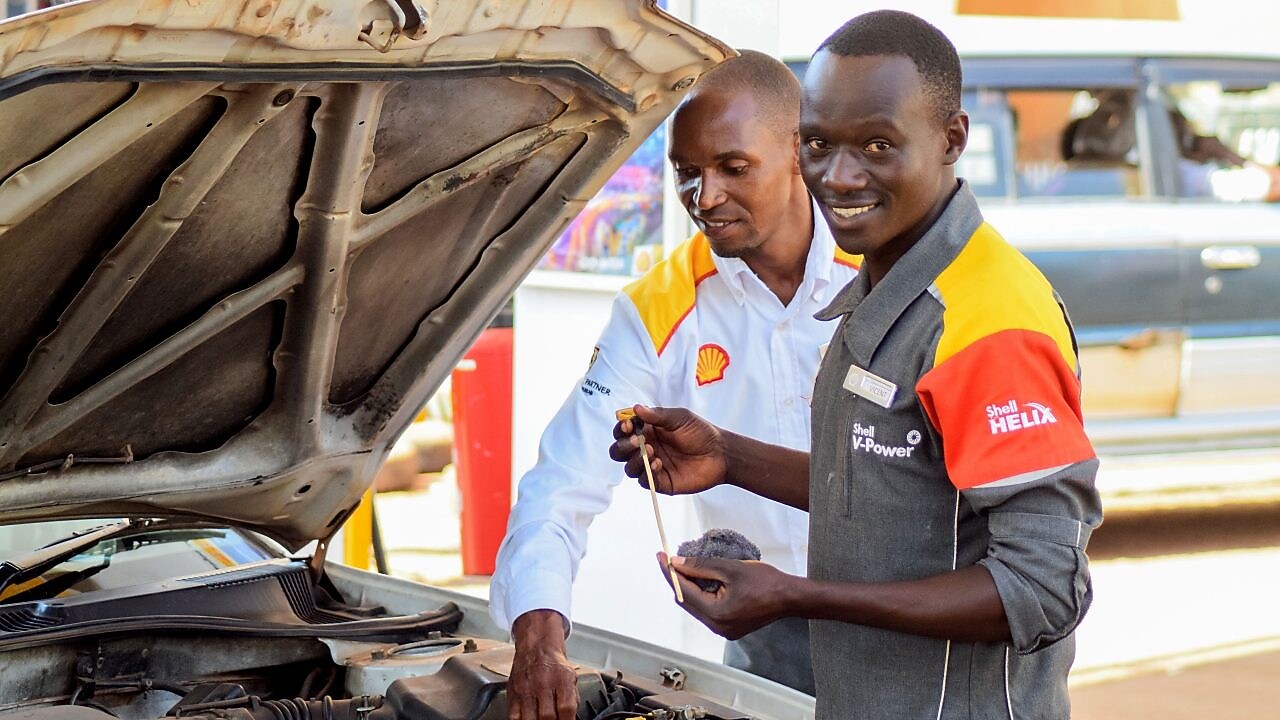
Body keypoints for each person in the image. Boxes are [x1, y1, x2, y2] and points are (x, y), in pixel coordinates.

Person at [610, 11, 1102, 720]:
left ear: (952, 139)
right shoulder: (881, 282)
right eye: (818, 144)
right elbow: (898, 497)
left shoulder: (986, 318)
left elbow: (1045, 588)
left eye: (877, 144)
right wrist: (727, 455)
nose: (838, 178)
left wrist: (797, 595)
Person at [488, 49, 860, 719]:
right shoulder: (657, 309)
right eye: (687, 172)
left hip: (914, 623)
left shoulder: (884, 273)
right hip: (767, 644)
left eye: (733, 168)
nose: (704, 197)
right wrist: (539, 632)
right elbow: (562, 481)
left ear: (801, 152)